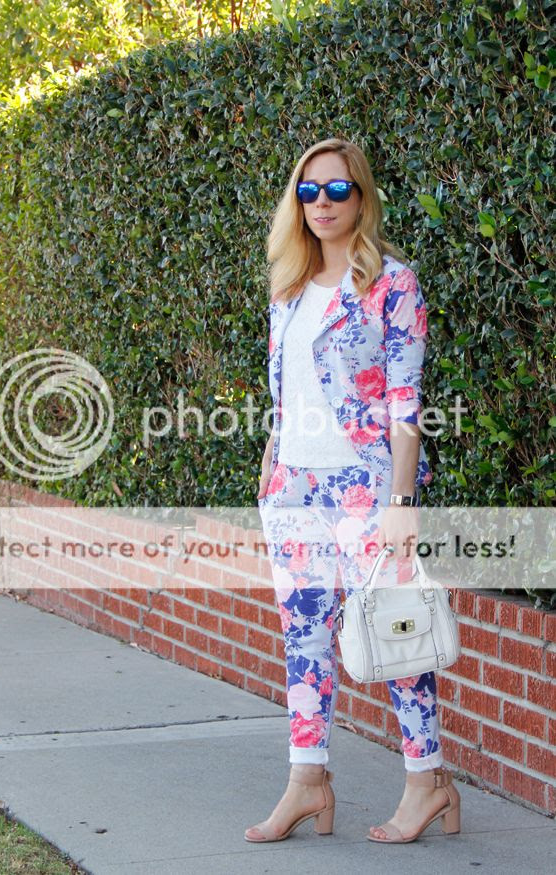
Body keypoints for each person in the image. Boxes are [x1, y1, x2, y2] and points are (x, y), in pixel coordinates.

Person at [245, 138, 460, 844]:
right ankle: (307, 782)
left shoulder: (393, 284)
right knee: (303, 638)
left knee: (397, 633)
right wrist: (272, 456)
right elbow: (287, 390)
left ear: (361, 197)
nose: (323, 203)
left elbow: (406, 404)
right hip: (294, 487)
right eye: (308, 191)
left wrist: (401, 502)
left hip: (365, 487)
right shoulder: (288, 286)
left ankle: (427, 783)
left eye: (337, 189)